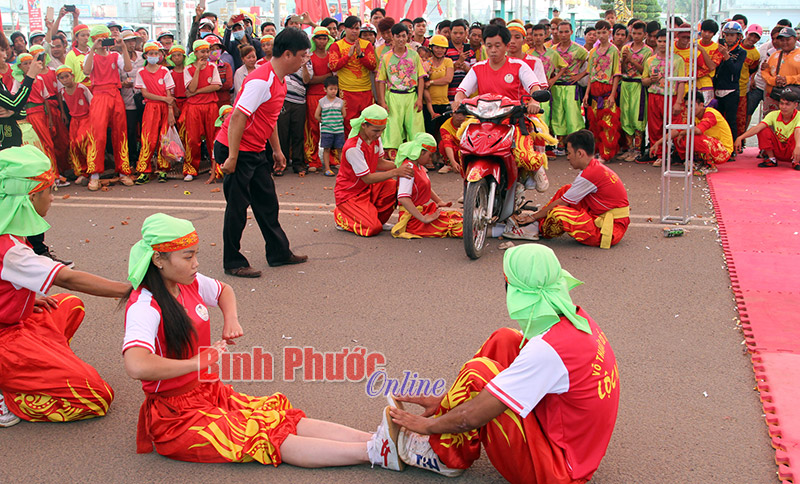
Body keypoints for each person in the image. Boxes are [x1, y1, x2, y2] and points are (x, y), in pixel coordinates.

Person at [122, 213, 406, 472]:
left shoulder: (188, 282)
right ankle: (374, 452)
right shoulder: (144, 306)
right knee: (265, 436)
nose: (196, 263)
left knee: (279, 416)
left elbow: (225, 291)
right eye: (187, 257)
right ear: (159, 260)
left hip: (208, 392)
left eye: (195, 255)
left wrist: (231, 320)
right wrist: (197, 362)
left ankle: (377, 438)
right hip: (176, 417)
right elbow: (136, 365)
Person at [388, 243, 619, 483]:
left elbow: (470, 417)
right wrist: (447, 402)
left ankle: (443, 456)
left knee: (476, 375)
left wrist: (428, 426)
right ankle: (450, 429)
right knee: (505, 339)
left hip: (560, 472)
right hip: (575, 449)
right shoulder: (578, 319)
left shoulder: (548, 351)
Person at [0, 145, 129, 428]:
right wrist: (130, 290)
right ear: (32, 197)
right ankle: (10, 395)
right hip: (5, 338)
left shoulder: (10, 237)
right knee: (96, 396)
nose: (52, 199)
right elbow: (67, 278)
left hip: (11, 323)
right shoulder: (10, 249)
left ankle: (40, 367)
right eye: (49, 192)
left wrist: (23, 299)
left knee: (67, 305)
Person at [215, 28, 310, 277]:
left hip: (255, 149)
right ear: (288, 54)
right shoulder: (261, 79)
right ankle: (233, 262)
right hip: (235, 148)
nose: (304, 60)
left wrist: (277, 150)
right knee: (237, 206)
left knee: (267, 203)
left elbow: (269, 119)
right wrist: (232, 157)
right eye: (302, 55)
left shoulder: (279, 79)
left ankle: (279, 253)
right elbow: (237, 116)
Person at [522, 130, 630, 248]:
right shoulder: (594, 167)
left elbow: (563, 202)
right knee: (566, 190)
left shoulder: (590, 174)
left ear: (580, 153)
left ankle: (536, 229)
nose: (567, 158)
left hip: (612, 228)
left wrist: (532, 216)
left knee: (558, 214)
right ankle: (537, 223)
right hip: (603, 214)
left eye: (569, 153)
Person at [333, 105, 413, 236]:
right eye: (376, 130)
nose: (379, 134)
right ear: (364, 125)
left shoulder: (375, 139)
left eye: (382, 130)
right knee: (372, 229)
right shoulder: (353, 147)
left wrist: (402, 165)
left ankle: (374, 219)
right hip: (350, 194)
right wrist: (396, 171)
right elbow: (367, 178)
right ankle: (341, 216)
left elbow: (379, 163)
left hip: (366, 188)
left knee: (394, 186)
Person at [82, 24, 134, 190]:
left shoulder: (115, 55)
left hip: (115, 94)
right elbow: (86, 71)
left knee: (120, 132)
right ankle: (94, 174)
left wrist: (123, 47)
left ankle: (123, 171)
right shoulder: (90, 56)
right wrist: (92, 50)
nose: (104, 42)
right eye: (100, 39)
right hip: (99, 96)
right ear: (94, 40)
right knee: (98, 135)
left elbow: (128, 68)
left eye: (106, 38)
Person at [391, 134, 463, 239]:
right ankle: (495, 232)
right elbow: (403, 198)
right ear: (421, 152)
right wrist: (423, 218)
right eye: (429, 156)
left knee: (455, 217)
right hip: (414, 221)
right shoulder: (408, 168)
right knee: (456, 225)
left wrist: (439, 201)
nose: (431, 160)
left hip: (420, 213)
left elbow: (425, 187)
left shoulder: (418, 166)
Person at [651, 91, 733, 175]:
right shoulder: (694, 116)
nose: (689, 109)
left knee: (692, 136)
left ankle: (710, 166)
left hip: (723, 151)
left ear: (701, 105)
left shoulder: (710, 113)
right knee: (685, 136)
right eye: (687, 106)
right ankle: (701, 162)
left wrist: (683, 133)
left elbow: (698, 130)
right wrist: (658, 143)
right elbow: (677, 130)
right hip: (712, 146)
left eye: (691, 106)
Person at [376, 23, 425, 158]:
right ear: (392, 37)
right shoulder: (386, 57)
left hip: (411, 96)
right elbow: (380, 80)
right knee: (393, 129)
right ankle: (394, 160)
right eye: (398, 36)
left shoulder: (414, 55)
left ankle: (415, 159)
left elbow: (421, 77)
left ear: (407, 37)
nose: (401, 39)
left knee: (415, 128)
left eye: (403, 36)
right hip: (393, 96)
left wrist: (420, 98)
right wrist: (382, 102)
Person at [642, 29, 686, 167]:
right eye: (660, 41)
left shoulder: (677, 60)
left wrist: (679, 102)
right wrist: (650, 79)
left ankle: (680, 155)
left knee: (674, 126)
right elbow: (643, 80)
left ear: (671, 42)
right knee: (655, 127)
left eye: (665, 41)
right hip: (654, 96)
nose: (662, 44)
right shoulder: (650, 60)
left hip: (671, 97)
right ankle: (659, 155)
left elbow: (681, 82)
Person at [134, 42, 176, 185]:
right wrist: (164, 98)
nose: (153, 56)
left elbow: (169, 94)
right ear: (145, 55)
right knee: (148, 138)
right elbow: (145, 93)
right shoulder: (141, 72)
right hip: (151, 108)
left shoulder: (164, 71)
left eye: (156, 53)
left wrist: (170, 112)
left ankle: (163, 170)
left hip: (165, 108)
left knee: (164, 138)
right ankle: (144, 170)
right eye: (150, 54)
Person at [329, 16, 378, 131]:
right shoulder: (337, 45)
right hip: (347, 91)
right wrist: (348, 56)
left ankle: (366, 148)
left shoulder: (366, 45)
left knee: (368, 123)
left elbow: (372, 65)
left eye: (357, 28)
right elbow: (333, 66)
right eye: (351, 28)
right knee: (348, 124)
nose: (354, 31)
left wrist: (361, 54)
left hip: (365, 91)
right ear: (345, 29)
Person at [183, 39, 222, 182]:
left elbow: (216, 86)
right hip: (193, 107)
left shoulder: (213, 67)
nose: (205, 55)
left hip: (211, 105)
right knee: (193, 139)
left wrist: (196, 92)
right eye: (202, 52)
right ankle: (191, 169)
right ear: (195, 53)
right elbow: (190, 88)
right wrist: (198, 69)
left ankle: (216, 168)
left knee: (214, 138)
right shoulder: (188, 69)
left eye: (207, 51)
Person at [583, 20, 621, 162]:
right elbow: (590, 75)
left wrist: (612, 94)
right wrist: (587, 93)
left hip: (607, 91)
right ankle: (597, 152)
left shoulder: (614, 51)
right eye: (598, 32)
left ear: (609, 33)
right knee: (595, 124)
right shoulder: (593, 52)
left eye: (604, 32)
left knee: (608, 123)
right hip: (594, 91)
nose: (601, 35)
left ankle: (606, 154)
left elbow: (616, 73)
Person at [734, 89, 800, 170]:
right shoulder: (773, 114)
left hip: (794, 149)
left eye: (787, 104)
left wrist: (798, 146)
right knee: (763, 129)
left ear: (796, 105)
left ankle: (796, 160)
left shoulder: (799, 116)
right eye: (781, 103)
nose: (783, 107)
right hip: (779, 150)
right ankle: (771, 159)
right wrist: (740, 137)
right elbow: (757, 128)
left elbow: (798, 131)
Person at [551, 21, 588, 154]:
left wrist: (580, 76)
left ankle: (574, 146)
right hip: (557, 86)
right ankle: (561, 145)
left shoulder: (579, 49)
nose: (563, 34)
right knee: (558, 115)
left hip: (571, 86)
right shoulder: (553, 49)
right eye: (561, 32)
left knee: (573, 116)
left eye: (566, 31)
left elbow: (592, 63)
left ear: (571, 32)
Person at [619, 21, 652, 161]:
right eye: (634, 33)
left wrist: (631, 60)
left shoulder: (648, 51)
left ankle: (638, 149)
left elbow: (645, 70)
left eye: (639, 33)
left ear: (645, 34)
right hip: (625, 83)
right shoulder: (626, 48)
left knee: (637, 116)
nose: (636, 36)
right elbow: (621, 68)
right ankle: (629, 148)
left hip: (638, 85)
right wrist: (624, 60)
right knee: (625, 115)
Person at [305, 27, 335, 173]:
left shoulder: (332, 56)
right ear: (314, 40)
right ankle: (312, 160)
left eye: (324, 38)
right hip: (313, 96)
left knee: (333, 127)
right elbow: (308, 80)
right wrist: (326, 77)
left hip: (330, 98)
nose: (322, 41)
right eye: (319, 38)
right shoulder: (309, 57)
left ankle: (334, 159)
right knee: (313, 128)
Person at [714, 22, 748, 144]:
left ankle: (732, 146)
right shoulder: (717, 49)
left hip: (731, 90)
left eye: (732, 35)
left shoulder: (741, 52)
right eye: (727, 35)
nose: (729, 38)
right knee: (717, 119)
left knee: (731, 120)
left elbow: (735, 69)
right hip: (718, 89)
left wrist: (726, 56)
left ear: (738, 37)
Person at [57, 66, 92, 182]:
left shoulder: (81, 88)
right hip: (74, 120)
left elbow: (92, 102)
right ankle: (81, 171)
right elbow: (65, 104)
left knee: (81, 142)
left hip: (86, 119)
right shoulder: (62, 91)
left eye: (67, 76)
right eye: (62, 78)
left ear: (72, 76)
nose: (65, 79)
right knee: (73, 146)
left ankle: (91, 168)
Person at [315, 76, 346, 177]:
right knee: (326, 149)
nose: (333, 91)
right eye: (331, 89)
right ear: (325, 89)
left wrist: (338, 120)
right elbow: (316, 115)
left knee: (340, 149)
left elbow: (344, 114)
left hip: (339, 130)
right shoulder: (322, 102)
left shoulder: (340, 102)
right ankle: (327, 168)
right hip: (326, 130)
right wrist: (324, 121)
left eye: (335, 89)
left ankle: (343, 169)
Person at [445, 19, 475, 102]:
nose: (458, 36)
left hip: (466, 96)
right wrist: (458, 62)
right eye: (455, 33)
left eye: (461, 33)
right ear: (450, 32)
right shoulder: (445, 50)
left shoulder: (471, 51)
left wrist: (466, 68)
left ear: (466, 33)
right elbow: (442, 73)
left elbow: (475, 74)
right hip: (448, 95)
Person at [697, 20, 723, 106]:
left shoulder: (717, 48)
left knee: (705, 107)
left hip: (706, 81)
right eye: (705, 31)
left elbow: (712, 66)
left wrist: (702, 50)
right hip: (691, 81)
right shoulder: (693, 44)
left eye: (710, 32)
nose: (707, 34)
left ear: (714, 34)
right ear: (701, 30)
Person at [65, 23, 91, 87]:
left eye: (88, 35)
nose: (86, 38)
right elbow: (69, 75)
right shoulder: (71, 55)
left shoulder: (94, 52)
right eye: (83, 35)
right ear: (76, 37)